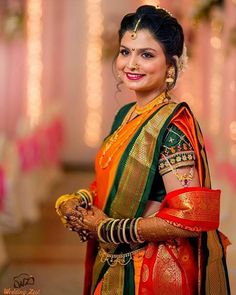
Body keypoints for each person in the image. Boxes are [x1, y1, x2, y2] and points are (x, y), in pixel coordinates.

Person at [55, 5, 231, 295]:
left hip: (148, 272)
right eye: (126, 51)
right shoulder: (125, 114)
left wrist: (109, 229)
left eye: (146, 54)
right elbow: (112, 183)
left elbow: (191, 218)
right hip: (112, 260)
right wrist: (79, 200)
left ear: (171, 65)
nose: (131, 64)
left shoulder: (171, 128)